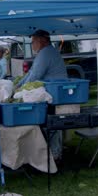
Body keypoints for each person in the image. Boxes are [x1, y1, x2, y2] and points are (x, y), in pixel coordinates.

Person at [17, 29, 67, 161]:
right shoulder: (44, 53)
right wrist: (18, 85)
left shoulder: (46, 53)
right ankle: (49, 151)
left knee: (51, 123)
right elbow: (30, 73)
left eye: (33, 41)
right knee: (49, 123)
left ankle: (55, 155)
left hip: (55, 95)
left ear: (43, 40)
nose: (32, 44)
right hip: (53, 92)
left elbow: (35, 75)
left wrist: (20, 90)